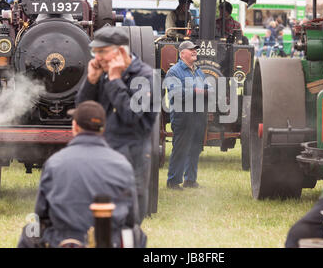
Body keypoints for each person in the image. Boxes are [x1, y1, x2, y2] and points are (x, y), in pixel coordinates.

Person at [18, 101, 143, 248]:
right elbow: (131, 218)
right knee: (137, 234)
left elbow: (41, 213)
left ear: (75, 126)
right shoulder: (123, 164)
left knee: (30, 231)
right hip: (109, 241)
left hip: (64, 242)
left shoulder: (54, 163)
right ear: (103, 129)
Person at [76, 27, 157, 224]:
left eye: (102, 52)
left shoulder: (145, 76)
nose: (97, 57)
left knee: (131, 214)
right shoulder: (102, 73)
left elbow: (131, 115)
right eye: (95, 52)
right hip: (105, 149)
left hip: (133, 152)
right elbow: (83, 110)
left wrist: (114, 80)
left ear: (120, 51)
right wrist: (91, 81)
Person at [165, 41, 210, 190]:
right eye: (191, 50)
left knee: (195, 148)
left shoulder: (198, 71)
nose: (194, 52)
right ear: (182, 53)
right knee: (180, 148)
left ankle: (190, 180)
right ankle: (173, 181)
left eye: (195, 50)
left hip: (198, 115)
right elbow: (176, 94)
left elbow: (208, 88)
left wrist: (204, 90)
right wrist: (197, 91)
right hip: (182, 116)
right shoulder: (174, 71)